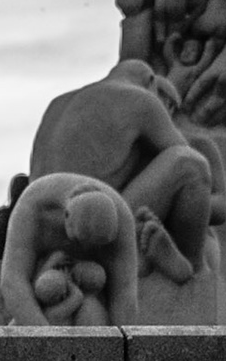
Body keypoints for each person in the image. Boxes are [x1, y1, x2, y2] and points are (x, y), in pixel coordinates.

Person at [29, 59, 214, 284]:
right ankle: (194, 268)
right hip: (92, 226)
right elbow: (190, 169)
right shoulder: (142, 99)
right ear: (150, 82)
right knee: (191, 165)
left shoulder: (57, 104)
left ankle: (138, 256)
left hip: (41, 236)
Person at [0, 174, 141, 326]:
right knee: (49, 291)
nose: (86, 250)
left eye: (99, 246)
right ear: (66, 216)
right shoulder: (33, 206)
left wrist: (124, 345)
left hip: (93, 301)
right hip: (45, 294)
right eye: (79, 241)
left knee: (91, 307)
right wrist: (44, 339)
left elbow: (124, 295)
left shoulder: (123, 220)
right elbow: (13, 282)